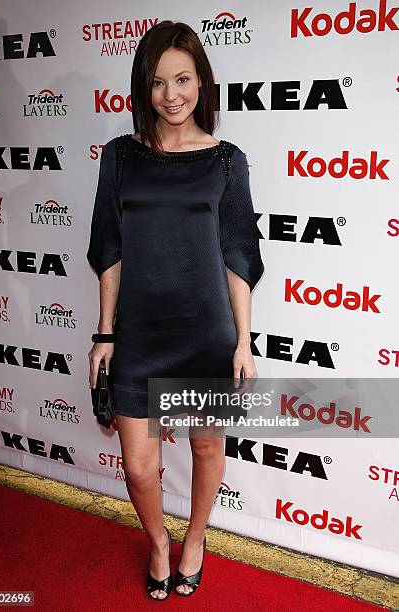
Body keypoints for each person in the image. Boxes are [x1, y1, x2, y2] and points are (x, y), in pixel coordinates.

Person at [87, 20, 264, 600]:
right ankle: (158, 542)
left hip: (204, 330)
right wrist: (104, 334)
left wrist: (243, 341)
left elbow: (238, 253)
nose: (172, 95)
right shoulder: (119, 157)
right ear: (143, 86)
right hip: (138, 334)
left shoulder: (226, 161)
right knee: (139, 468)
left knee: (206, 445)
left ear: (201, 82)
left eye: (183, 79)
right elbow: (109, 249)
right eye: (159, 82)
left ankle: (195, 540)